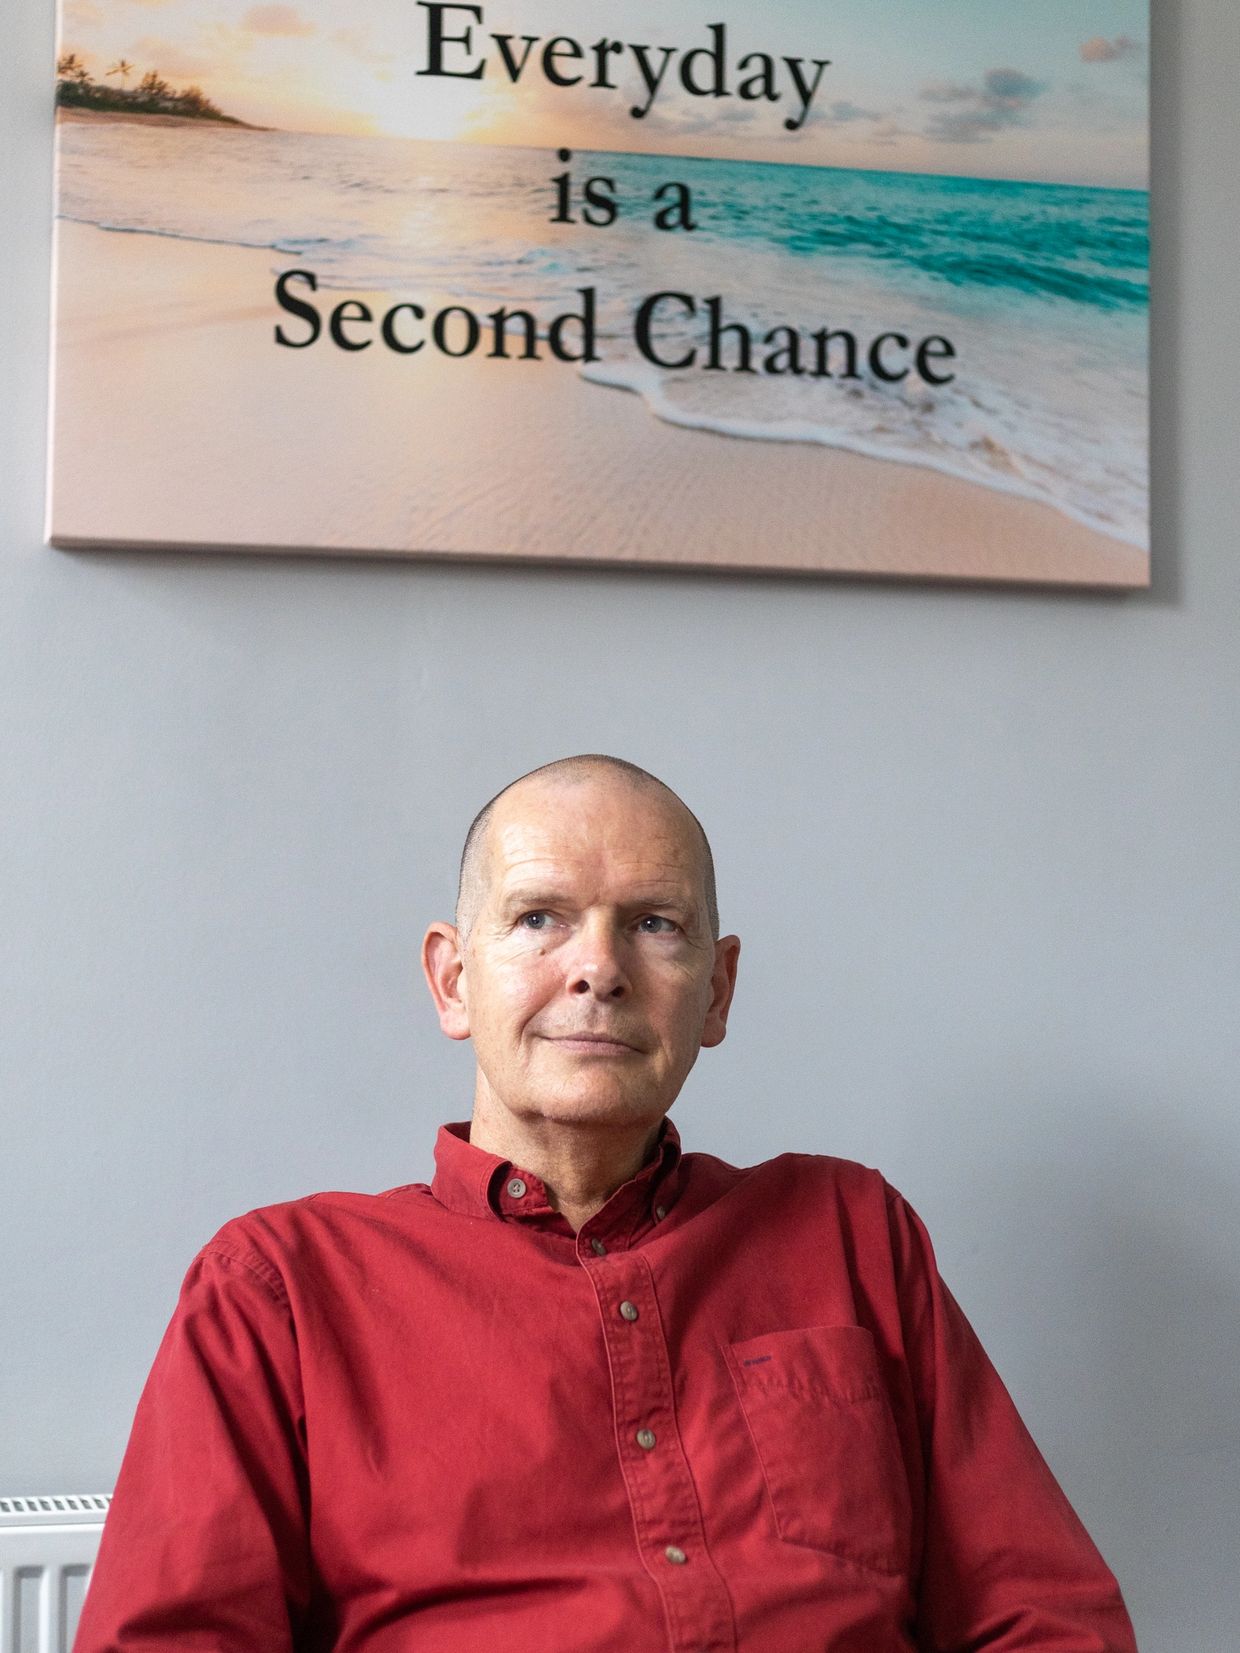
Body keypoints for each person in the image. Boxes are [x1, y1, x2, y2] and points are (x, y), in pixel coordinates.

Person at [74, 754, 1138, 1652]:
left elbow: (1045, 1612)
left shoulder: (853, 1234)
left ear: (715, 992)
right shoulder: (282, 1289)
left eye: (655, 925)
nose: (600, 969)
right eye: (540, 917)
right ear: (453, 982)